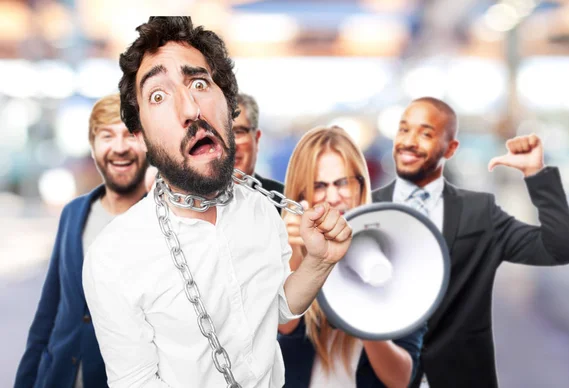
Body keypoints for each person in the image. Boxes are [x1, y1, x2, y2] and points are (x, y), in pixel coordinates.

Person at [82, 16, 352, 388]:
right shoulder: (112, 256)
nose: (190, 108)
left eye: (199, 82)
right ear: (141, 135)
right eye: (157, 95)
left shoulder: (260, 206)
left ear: (228, 104)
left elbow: (277, 308)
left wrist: (319, 262)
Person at [372, 97, 569, 388]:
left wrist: (536, 175)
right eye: (404, 130)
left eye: (426, 133)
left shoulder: (479, 213)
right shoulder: (366, 210)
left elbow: (560, 248)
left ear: (451, 148)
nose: (409, 141)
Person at [15, 94, 149, 388]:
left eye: (130, 135)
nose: (119, 148)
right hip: (57, 377)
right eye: (107, 136)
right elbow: (48, 312)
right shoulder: (74, 213)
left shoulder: (163, 220)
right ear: (93, 147)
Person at [278, 125, 426, 388]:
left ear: (360, 185)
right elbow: (285, 328)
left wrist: (363, 314)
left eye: (342, 182)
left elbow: (401, 378)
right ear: (301, 195)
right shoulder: (278, 249)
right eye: (319, 186)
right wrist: (294, 255)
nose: (334, 197)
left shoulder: (400, 251)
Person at [233, 93, 285, 210]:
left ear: (256, 139)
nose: (231, 145)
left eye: (239, 132)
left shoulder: (286, 200)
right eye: (221, 134)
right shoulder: (190, 205)